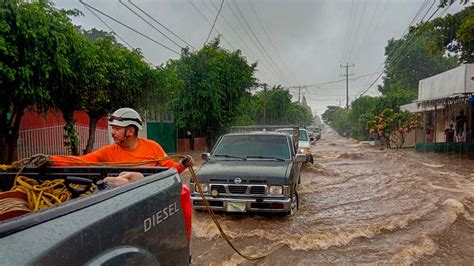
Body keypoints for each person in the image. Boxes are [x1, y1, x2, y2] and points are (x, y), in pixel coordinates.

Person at [23, 108, 194, 186]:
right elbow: (82, 161)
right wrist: (51, 160)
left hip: (149, 201)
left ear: (131, 130)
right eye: (113, 128)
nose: (113, 132)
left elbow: (171, 170)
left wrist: (183, 165)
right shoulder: (108, 151)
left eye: (117, 129)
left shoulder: (153, 147)